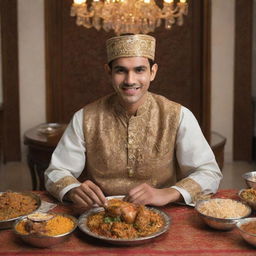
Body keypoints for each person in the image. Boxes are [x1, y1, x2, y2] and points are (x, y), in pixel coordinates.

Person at [44, 34, 222, 211]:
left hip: (162, 214)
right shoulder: (85, 118)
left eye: (139, 70)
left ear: (153, 72)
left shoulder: (178, 115)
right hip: (102, 214)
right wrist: (72, 189)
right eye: (121, 70)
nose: (130, 80)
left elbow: (209, 172)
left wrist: (169, 193)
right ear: (109, 72)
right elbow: (56, 171)